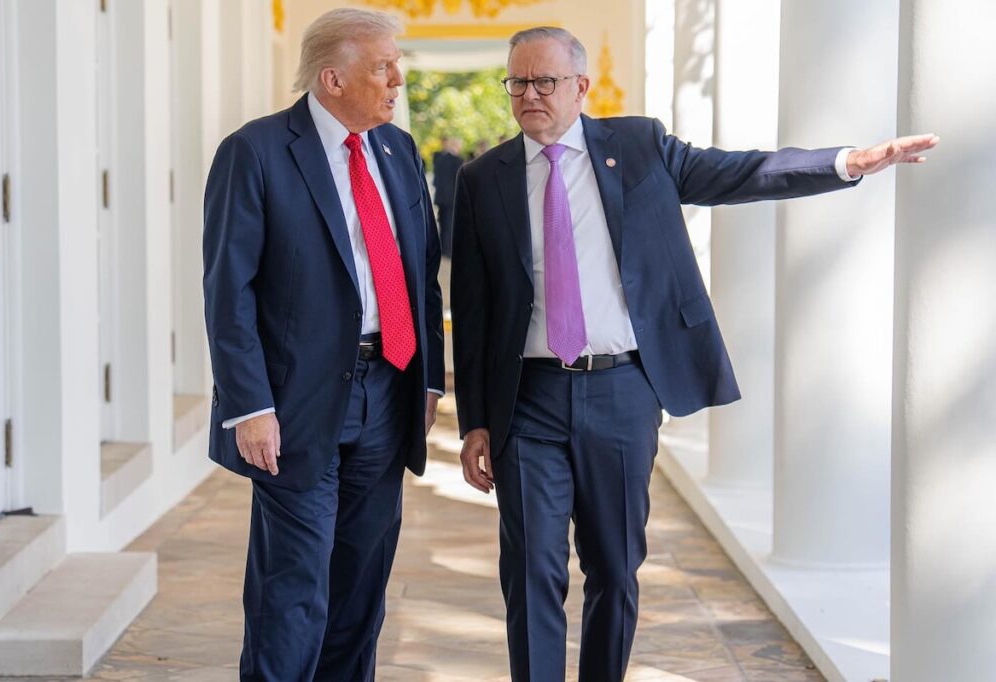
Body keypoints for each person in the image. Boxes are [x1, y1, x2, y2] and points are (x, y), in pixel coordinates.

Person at [450, 26, 937, 682]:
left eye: (545, 82)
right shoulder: (484, 179)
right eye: (517, 82)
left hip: (622, 390)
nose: (529, 95)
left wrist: (848, 161)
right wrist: (476, 420)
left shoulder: (638, 146)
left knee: (614, 568)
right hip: (529, 399)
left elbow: (741, 173)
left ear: (581, 87)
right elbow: (474, 310)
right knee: (531, 567)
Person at [202, 8, 444, 681]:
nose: (398, 80)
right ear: (333, 78)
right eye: (384, 67)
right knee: (293, 591)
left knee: (360, 589)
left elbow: (421, 274)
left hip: (387, 391)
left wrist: (427, 381)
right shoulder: (255, 152)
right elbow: (228, 291)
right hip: (294, 405)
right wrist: (249, 406)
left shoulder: (398, 151)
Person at [432, 136, 463, 257]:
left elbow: (436, 180)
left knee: (443, 222)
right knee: (450, 224)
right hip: (452, 197)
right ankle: (448, 250)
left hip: (440, 196)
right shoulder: (458, 161)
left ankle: (443, 248)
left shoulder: (439, 159)